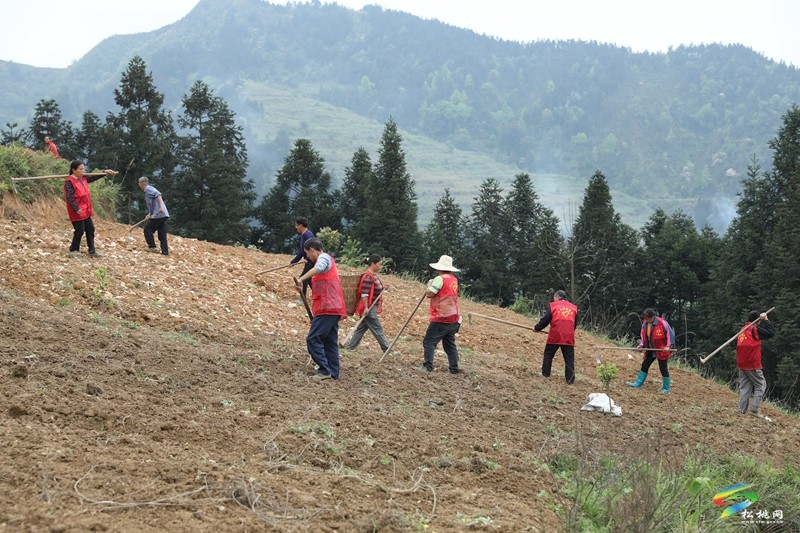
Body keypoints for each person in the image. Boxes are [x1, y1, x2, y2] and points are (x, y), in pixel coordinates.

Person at [294, 238, 347, 380]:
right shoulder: (324, 264)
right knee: (330, 342)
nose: (307, 257)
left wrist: (301, 279)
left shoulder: (323, 258)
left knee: (313, 338)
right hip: (331, 307)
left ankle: (324, 370)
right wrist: (301, 287)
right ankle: (333, 373)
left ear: (312, 250)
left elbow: (319, 268)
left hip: (327, 308)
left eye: (307, 253)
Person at [63, 160, 115, 257]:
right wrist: (76, 208)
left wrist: (104, 173)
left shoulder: (83, 178)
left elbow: (94, 177)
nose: (83, 171)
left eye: (83, 169)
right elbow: (70, 197)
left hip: (86, 209)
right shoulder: (69, 182)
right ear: (74, 170)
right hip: (77, 211)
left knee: (90, 228)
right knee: (80, 230)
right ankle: (73, 249)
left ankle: (92, 250)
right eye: (80, 169)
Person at [420, 255, 461, 374]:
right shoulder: (454, 279)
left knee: (429, 341)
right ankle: (454, 368)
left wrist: (429, 285)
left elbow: (429, 294)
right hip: (453, 317)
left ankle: (427, 366)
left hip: (441, 316)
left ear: (439, 268)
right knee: (449, 344)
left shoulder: (439, 279)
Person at [342, 254, 391, 353]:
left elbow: (375, 288)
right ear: (372, 264)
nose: (381, 267)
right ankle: (387, 349)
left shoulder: (373, 275)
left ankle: (351, 346)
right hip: (369, 307)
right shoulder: (368, 277)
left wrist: (383, 287)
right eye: (379, 264)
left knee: (361, 328)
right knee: (378, 329)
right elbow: (364, 293)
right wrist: (366, 307)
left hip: (371, 306)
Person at [736, 310, 775, 417]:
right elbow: (771, 333)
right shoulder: (754, 330)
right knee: (761, 384)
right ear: (758, 321)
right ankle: (754, 410)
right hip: (751, 363)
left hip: (741, 363)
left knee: (745, 387)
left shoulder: (743, 330)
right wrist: (766, 320)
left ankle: (741, 410)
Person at [534, 290, 578, 384]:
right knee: (569, 358)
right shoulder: (574, 308)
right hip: (568, 336)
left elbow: (545, 319)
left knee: (548, 354)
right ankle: (570, 380)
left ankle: (545, 374)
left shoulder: (553, 305)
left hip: (555, 334)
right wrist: (568, 332)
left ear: (557, 297)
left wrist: (537, 328)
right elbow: (575, 324)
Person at [626, 308, 675, 393]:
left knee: (663, 368)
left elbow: (670, 335)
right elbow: (643, 336)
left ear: (652, 317)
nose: (646, 319)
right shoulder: (645, 324)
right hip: (651, 348)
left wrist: (668, 346)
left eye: (647, 318)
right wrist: (641, 345)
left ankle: (666, 389)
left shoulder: (662, 323)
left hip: (661, 349)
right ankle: (638, 383)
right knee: (645, 365)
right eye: (645, 317)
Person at [137, 177, 170, 256]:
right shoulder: (147, 191)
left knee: (147, 230)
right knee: (162, 233)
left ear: (142, 183)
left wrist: (161, 206)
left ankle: (152, 247)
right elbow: (152, 204)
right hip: (162, 215)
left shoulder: (149, 189)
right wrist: (149, 214)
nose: (138, 185)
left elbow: (158, 195)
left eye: (139, 183)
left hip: (159, 214)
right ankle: (165, 252)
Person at [290, 217, 315, 297]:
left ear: (301, 225)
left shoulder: (308, 235)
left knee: (303, 278)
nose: (296, 227)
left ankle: (302, 298)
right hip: (308, 261)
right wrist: (294, 261)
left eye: (296, 225)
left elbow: (312, 249)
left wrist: (307, 259)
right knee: (310, 280)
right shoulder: (303, 236)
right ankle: (318, 296)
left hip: (311, 261)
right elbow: (302, 252)